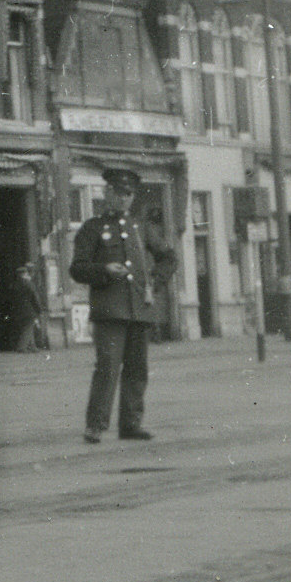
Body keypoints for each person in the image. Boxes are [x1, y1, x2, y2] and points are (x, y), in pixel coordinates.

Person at [69, 168, 172, 442]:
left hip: (140, 308)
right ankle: (96, 425)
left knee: (137, 369)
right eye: (119, 193)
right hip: (110, 310)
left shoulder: (141, 228)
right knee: (108, 367)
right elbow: (77, 269)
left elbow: (168, 257)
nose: (125, 199)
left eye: (129, 194)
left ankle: (130, 423)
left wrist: (156, 281)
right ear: (107, 193)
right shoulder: (92, 228)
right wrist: (104, 270)